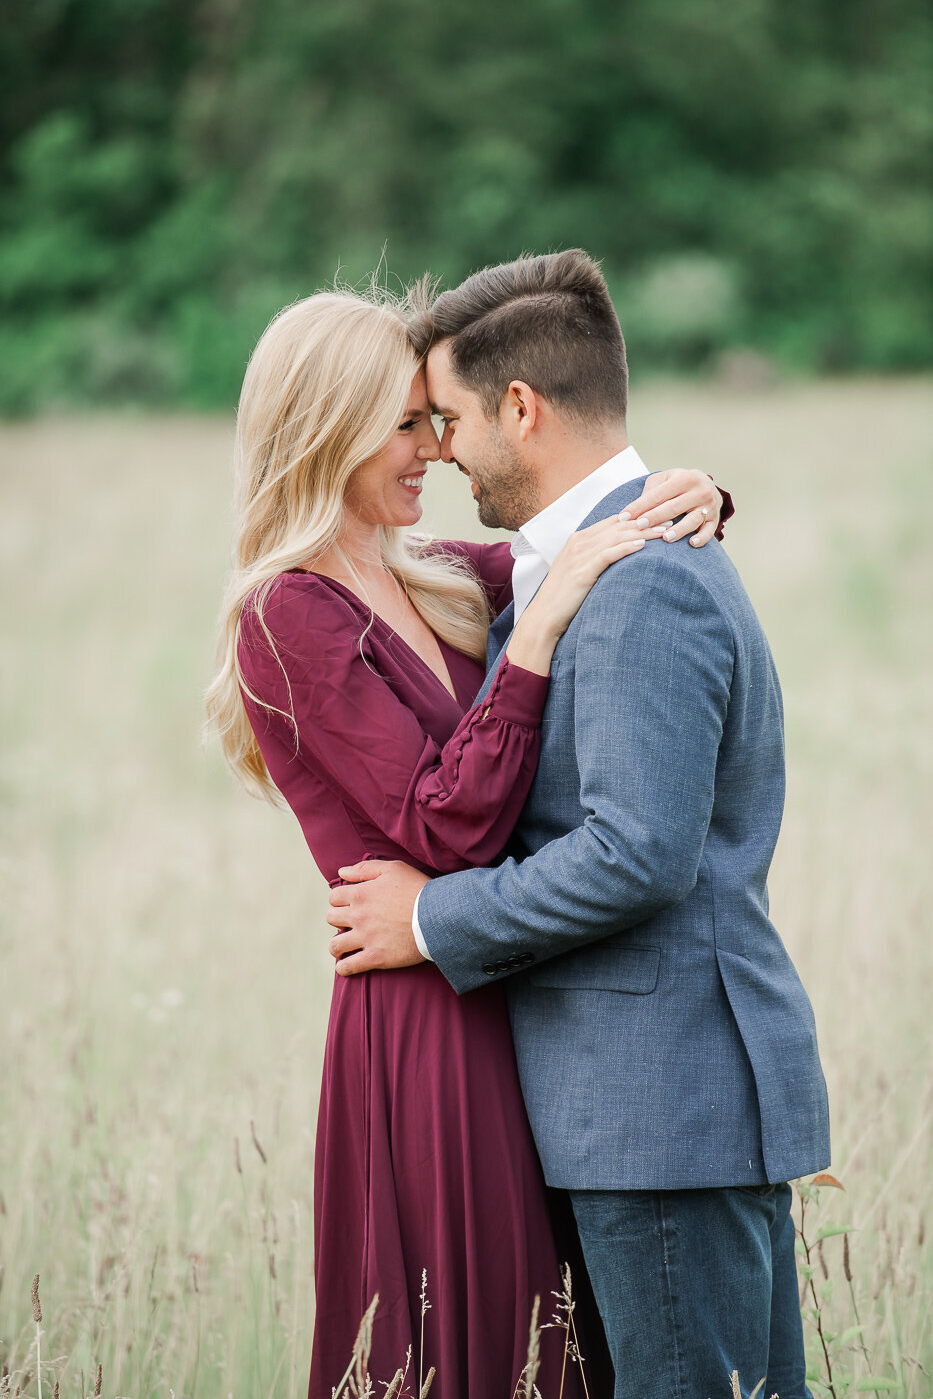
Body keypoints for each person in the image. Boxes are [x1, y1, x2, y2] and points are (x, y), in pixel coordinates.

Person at [205, 286, 729, 1396]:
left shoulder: (429, 572)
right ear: (327, 430)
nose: (437, 451)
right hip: (422, 1021)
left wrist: (691, 490)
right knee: (476, 1339)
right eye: (408, 424)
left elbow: (574, 535)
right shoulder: (285, 613)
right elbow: (448, 822)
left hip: (509, 991)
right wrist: (538, 629)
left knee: (562, 1338)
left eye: (435, 422)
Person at [326, 250, 832, 1399]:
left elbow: (637, 854)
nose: (440, 447)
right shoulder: (582, 556)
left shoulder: (640, 578)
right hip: (654, 1103)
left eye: (448, 417)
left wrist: (430, 915)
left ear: (522, 406)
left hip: (662, 1106)